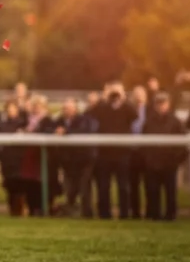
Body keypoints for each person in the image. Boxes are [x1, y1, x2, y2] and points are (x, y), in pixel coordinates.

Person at [88, 82, 137, 219]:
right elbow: (90, 113)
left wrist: (123, 98)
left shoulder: (127, 107)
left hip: (122, 153)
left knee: (123, 186)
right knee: (104, 186)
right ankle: (104, 214)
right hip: (105, 153)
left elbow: (135, 115)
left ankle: (124, 214)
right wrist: (104, 98)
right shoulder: (103, 107)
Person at [141, 93, 188, 221]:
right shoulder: (149, 122)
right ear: (155, 105)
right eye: (158, 103)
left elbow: (182, 143)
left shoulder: (175, 121)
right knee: (153, 191)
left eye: (163, 103)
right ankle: (154, 214)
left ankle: (170, 215)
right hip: (153, 163)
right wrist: (147, 159)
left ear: (168, 104)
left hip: (169, 163)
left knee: (170, 191)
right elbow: (143, 142)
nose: (161, 106)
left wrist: (177, 160)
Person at [54, 98, 96, 217]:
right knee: (70, 189)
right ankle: (72, 212)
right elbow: (50, 128)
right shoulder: (60, 120)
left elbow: (83, 131)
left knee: (84, 188)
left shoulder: (84, 119)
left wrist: (66, 131)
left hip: (84, 159)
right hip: (68, 161)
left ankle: (87, 214)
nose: (65, 110)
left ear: (75, 109)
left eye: (68, 108)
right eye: (64, 108)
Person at [0, 100, 28, 216]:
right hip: (7, 159)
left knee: (19, 187)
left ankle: (20, 211)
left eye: (13, 108)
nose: (11, 111)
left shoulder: (22, 123)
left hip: (19, 159)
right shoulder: (3, 124)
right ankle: (12, 211)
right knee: (9, 186)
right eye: (9, 109)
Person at [127, 86, 149, 218]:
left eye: (141, 94)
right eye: (136, 94)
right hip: (131, 151)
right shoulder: (128, 111)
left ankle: (150, 211)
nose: (138, 97)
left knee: (149, 184)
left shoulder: (149, 111)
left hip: (146, 151)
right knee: (133, 183)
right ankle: (135, 212)